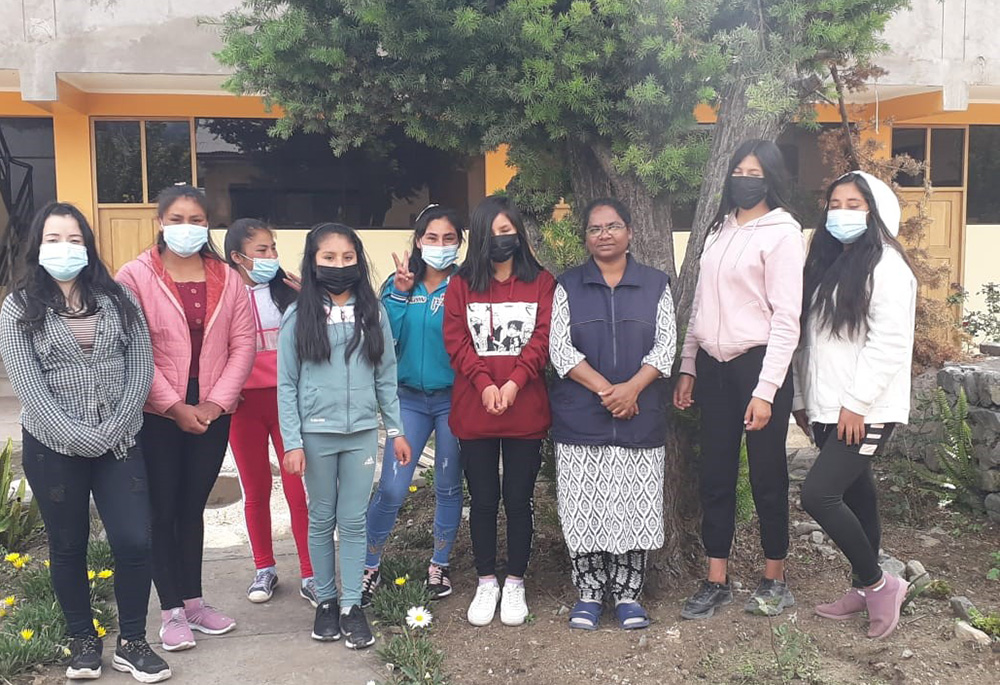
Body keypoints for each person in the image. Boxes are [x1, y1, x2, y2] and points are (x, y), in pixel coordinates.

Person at [0, 203, 171, 682]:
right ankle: (82, 639)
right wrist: (77, 436)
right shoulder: (18, 306)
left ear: (88, 246)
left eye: (74, 239)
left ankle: (133, 642)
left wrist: (114, 428)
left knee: (135, 540)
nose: (64, 248)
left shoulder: (118, 300)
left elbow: (141, 365)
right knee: (68, 544)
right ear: (38, 246)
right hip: (52, 447)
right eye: (53, 239)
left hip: (119, 442)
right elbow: (27, 384)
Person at [117, 185, 256, 652]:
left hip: (214, 410)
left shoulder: (227, 277)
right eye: (176, 219)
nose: (187, 228)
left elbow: (243, 343)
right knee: (162, 509)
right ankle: (171, 611)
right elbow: (135, 351)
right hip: (157, 412)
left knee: (192, 506)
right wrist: (174, 406)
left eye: (197, 220)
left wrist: (215, 404)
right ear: (159, 222)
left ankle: (195, 603)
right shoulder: (134, 277)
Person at [673, 140, 805, 620]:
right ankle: (716, 578)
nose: (744, 179)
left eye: (754, 172)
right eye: (738, 171)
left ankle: (775, 576)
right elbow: (700, 307)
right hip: (714, 366)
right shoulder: (718, 230)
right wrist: (688, 364)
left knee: (769, 474)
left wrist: (766, 391)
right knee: (716, 475)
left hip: (759, 364)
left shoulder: (784, 232)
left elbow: (788, 319)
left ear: (771, 178)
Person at [278, 223, 412, 649]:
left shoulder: (374, 313)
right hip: (316, 437)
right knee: (322, 519)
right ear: (313, 262)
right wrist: (293, 442)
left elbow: (387, 375)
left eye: (347, 257)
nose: (339, 265)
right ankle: (326, 601)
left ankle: (352, 605)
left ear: (359, 261)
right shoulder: (298, 316)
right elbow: (286, 384)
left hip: (360, 436)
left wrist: (396, 430)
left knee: (353, 521)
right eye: (329, 258)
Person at [796, 171, 916, 639]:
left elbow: (888, 343)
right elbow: (812, 344)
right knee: (855, 494)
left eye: (854, 204)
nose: (841, 213)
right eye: (835, 204)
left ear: (876, 212)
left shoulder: (887, 267)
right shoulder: (829, 265)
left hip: (863, 410)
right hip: (828, 408)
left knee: (818, 495)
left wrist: (856, 404)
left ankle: (879, 583)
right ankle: (863, 591)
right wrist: (805, 402)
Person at [548, 198, 676, 631]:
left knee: (633, 505)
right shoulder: (567, 285)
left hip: (640, 417)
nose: (604, 234)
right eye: (594, 228)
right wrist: (609, 391)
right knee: (585, 507)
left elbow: (666, 347)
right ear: (585, 237)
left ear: (630, 233)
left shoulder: (656, 284)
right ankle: (587, 593)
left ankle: (627, 594)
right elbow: (560, 350)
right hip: (582, 418)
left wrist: (633, 388)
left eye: (613, 226)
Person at [443, 195, 556, 628]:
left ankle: (515, 581)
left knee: (519, 500)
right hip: (476, 411)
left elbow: (543, 338)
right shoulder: (461, 285)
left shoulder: (542, 282)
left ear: (519, 234)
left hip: (525, 411)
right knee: (484, 500)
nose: (500, 240)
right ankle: (486, 578)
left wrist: (513, 382)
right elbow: (456, 340)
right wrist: (486, 383)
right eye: (491, 232)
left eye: (507, 231)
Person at [363, 206, 464, 605]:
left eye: (449, 239)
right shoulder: (397, 282)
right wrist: (402, 294)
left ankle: (439, 564)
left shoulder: (466, 285)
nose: (439, 246)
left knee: (448, 482)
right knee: (391, 487)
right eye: (432, 238)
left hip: (454, 399)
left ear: (459, 243)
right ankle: (368, 565)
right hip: (408, 400)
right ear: (418, 241)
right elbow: (385, 342)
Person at [223, 219, 316, 606]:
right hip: (243, 407)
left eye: (273, 248)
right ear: (237, 257)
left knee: (298, 489)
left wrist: (308, 291)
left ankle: (312, 572)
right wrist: (225, 392)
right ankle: (264, 567)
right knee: (256, 488)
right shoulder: (224, 296)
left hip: (287, 403)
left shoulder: (291, 291)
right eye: (261, 250)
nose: (271, 257)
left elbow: (314, 341)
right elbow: (212, 351)